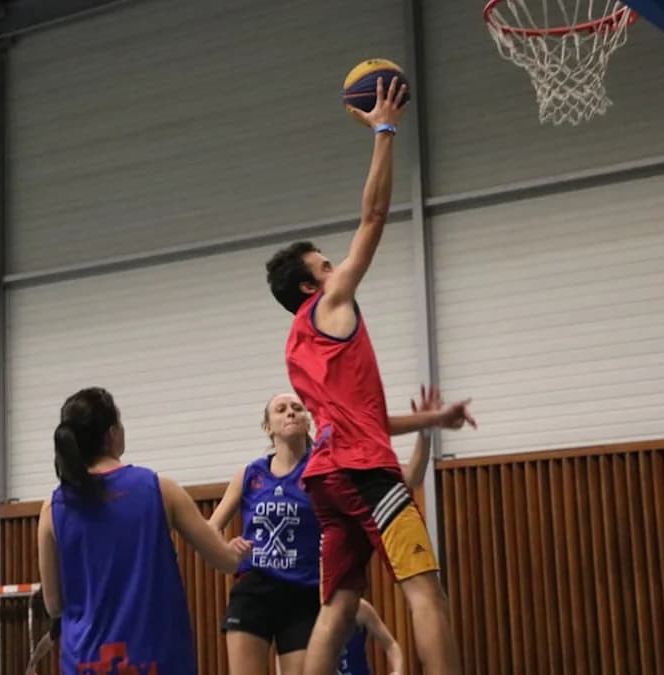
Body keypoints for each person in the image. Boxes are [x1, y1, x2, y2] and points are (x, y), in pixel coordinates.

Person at [264, 76, 475, 675]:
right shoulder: (332, 307)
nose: (339, 267)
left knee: (337, 605)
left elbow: (366, 417)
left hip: (328, 479)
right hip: (364, 473)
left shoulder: (298, 342)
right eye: (327, 264)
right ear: (312, 284)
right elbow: (375, 216)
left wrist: (433, 418)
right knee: (425, 591)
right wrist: (384, 131)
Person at [208, 388, 440, 675]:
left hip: (304, 593)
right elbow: (209, 530)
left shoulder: (328, 467)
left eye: (297, 407)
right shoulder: (250, 474)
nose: (291, 412)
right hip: (255, 589)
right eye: (281, 409)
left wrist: (425, 433)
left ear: (309, 421)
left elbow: (411, 477)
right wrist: (226, 551)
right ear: (268, 428)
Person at [32, 387, 253, 675]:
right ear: (113, 434)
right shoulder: (160, 489)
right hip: (158, 660)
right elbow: (223, 560)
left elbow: (54, 605)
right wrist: (237, 551)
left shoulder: (52, 508)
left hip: (86, 662)